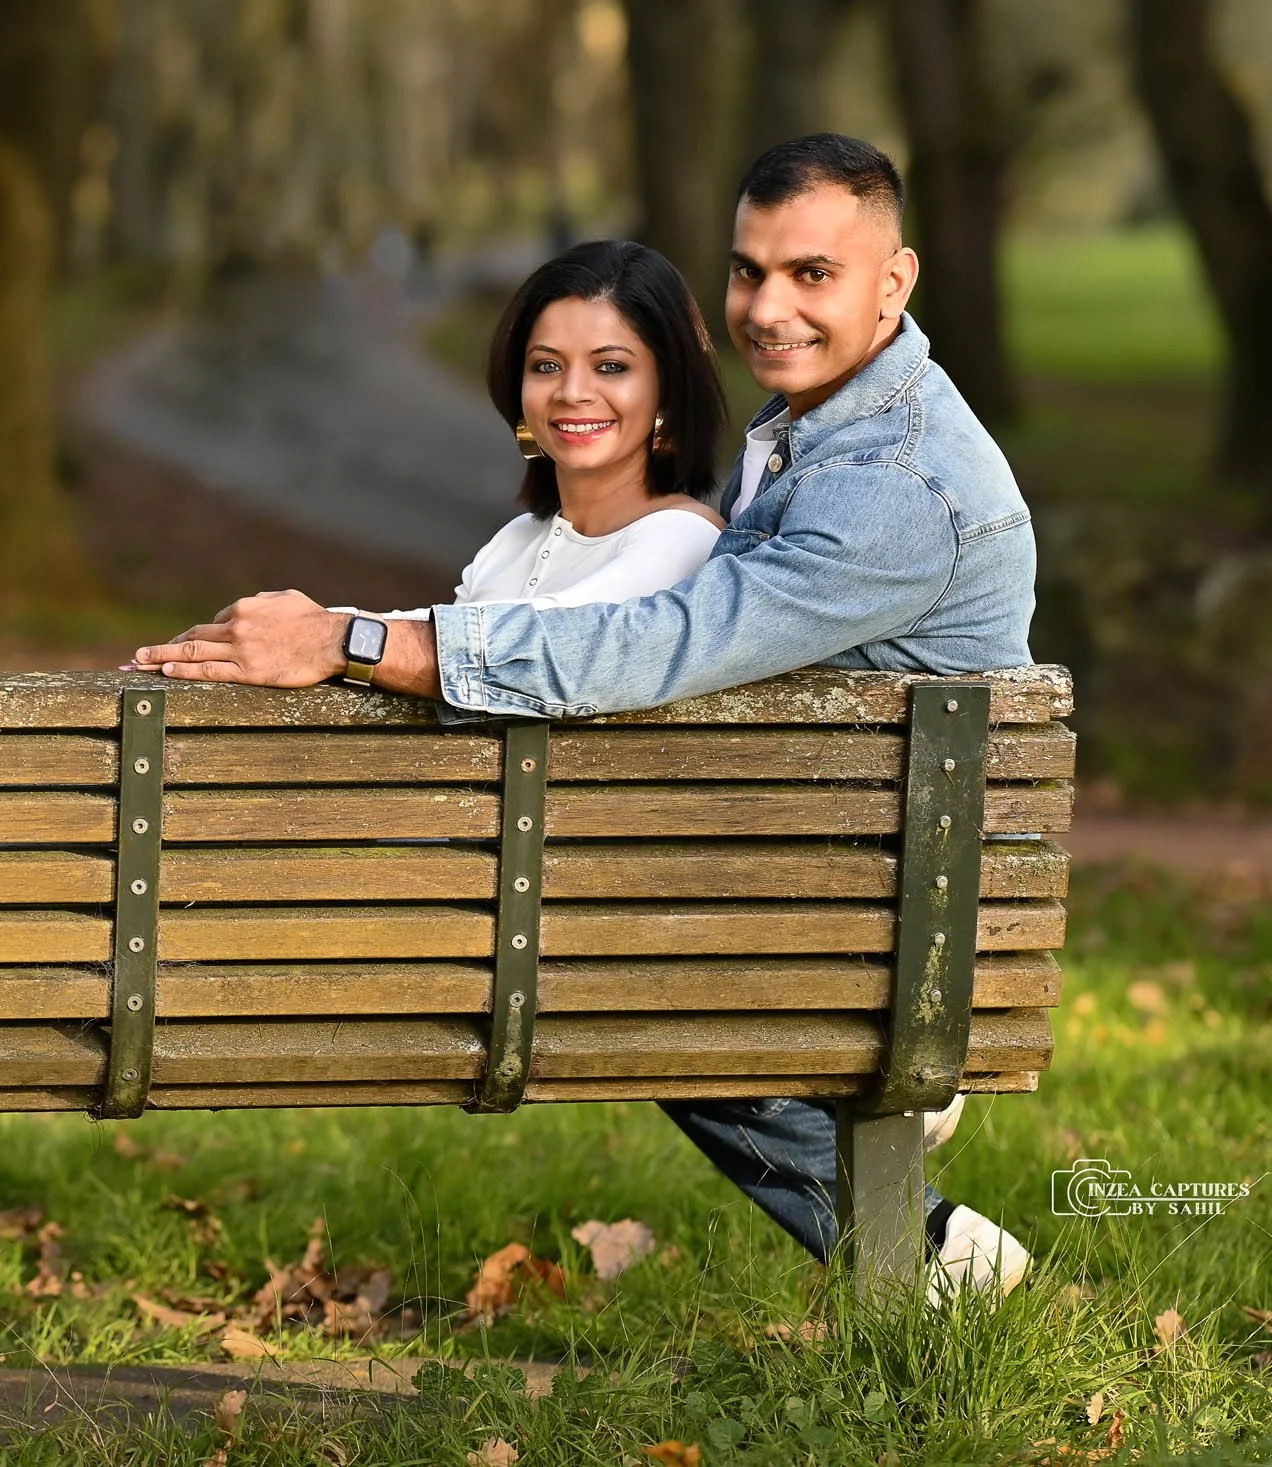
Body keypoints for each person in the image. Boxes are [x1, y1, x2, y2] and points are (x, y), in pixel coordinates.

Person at [128, 134, 1035, 1302]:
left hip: (881, 913)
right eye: (749, 271)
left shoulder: (893, 486)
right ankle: (928, 1256)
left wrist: (358, 641)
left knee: (624, 978)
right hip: (835, 877)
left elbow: (665, 639)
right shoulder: (837, 429)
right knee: (638, 978)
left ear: (893, 281)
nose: (768, 306)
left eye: (812, 274)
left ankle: (927, 1239)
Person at [372, 238, 728, 628]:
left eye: (610, 366)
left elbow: (539, 640)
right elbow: (432, 643)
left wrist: (336, 633)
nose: (572, 392)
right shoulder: (512, 542)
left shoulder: (685, 538)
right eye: (546, 366)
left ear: (669, 390)